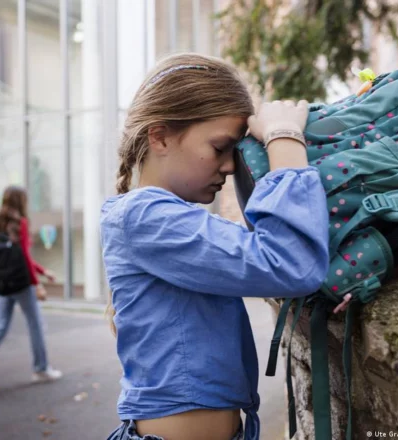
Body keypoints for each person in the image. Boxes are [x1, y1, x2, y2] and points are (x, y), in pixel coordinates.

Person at [101, 53, 330, 440]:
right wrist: (284, 140)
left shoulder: (157, 218)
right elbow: (289, 264)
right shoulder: (145, 216)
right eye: (220, 147)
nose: (228, 167)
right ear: (159, 137)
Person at [0, 186, 62, 392]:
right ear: (21, 201)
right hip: (20, 283)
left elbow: (15, 254)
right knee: (36, 324)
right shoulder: (21, 223)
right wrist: (37, 284)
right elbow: (23, 256)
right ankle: (41, 369)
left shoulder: (1, 222)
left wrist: (42, 271)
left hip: (2, 283)